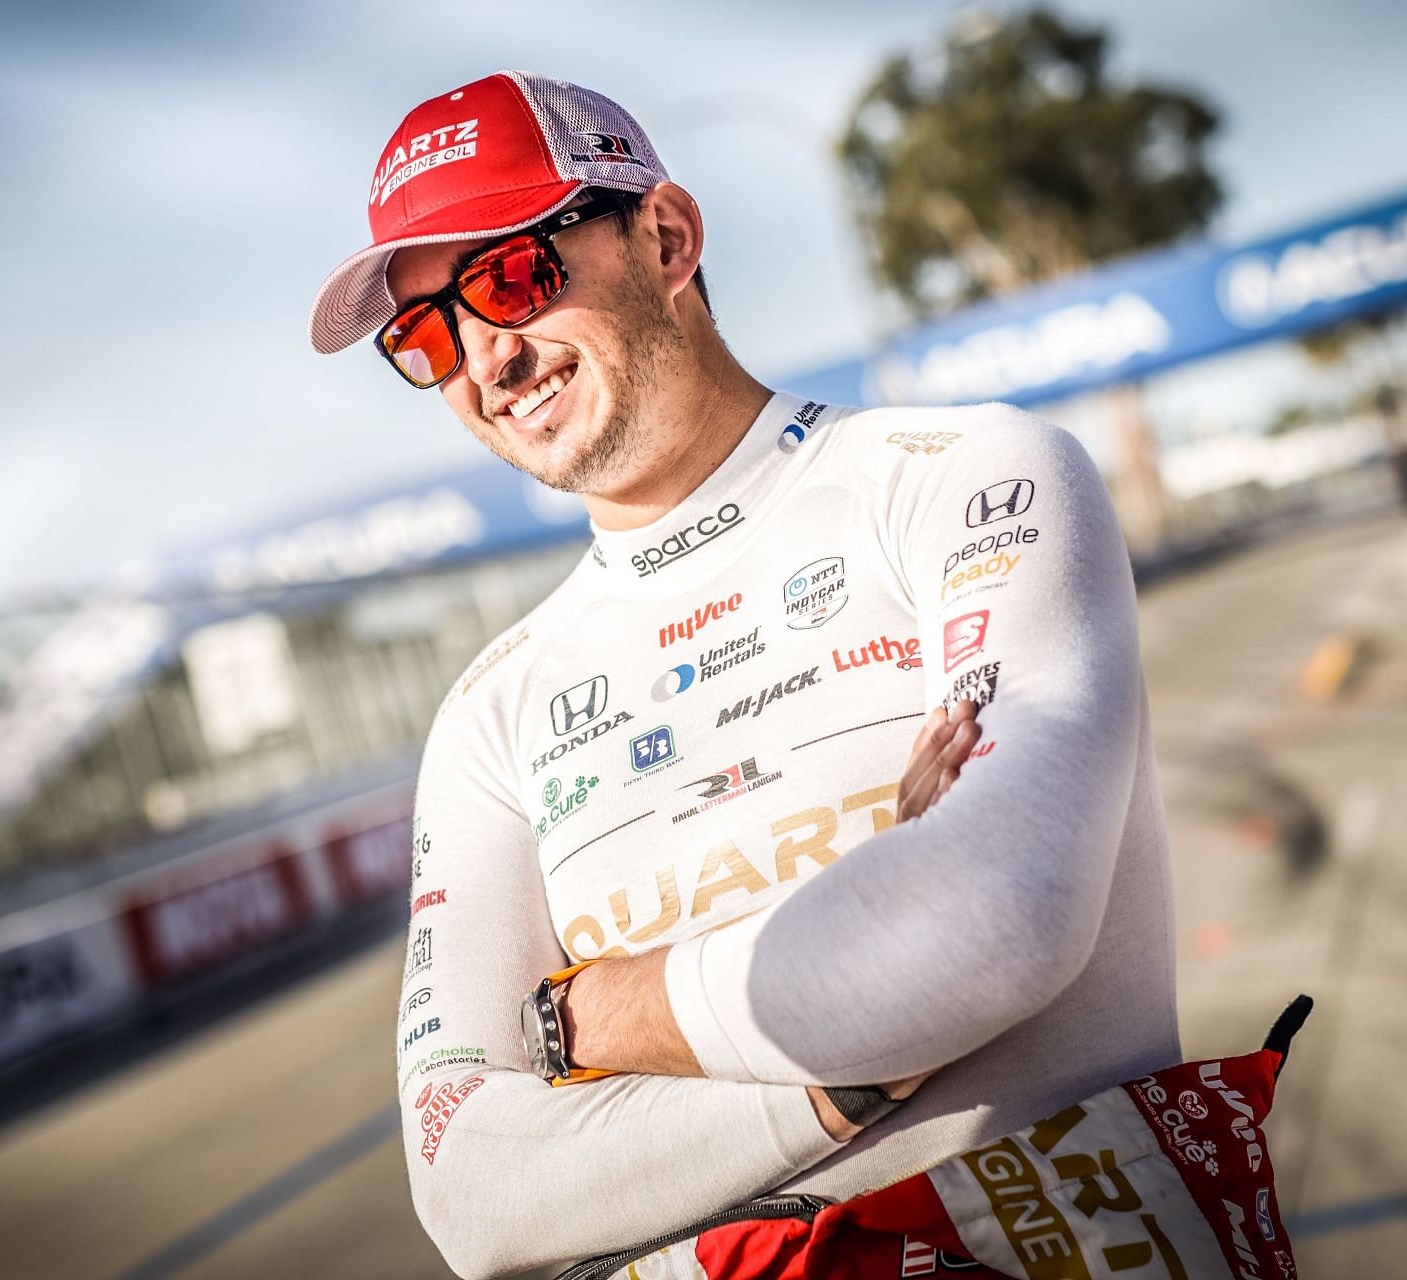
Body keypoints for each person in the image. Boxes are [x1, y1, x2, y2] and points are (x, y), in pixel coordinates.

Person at [310, 71, 1179, 1279]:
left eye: (513, 275)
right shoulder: (489, 714)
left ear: (665, 238)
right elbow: (476, 1193)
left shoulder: (964, 478)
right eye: (429, 331)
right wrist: (849, 1071)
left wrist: (582, 1019)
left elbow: (993, 922)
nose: (486, 357)